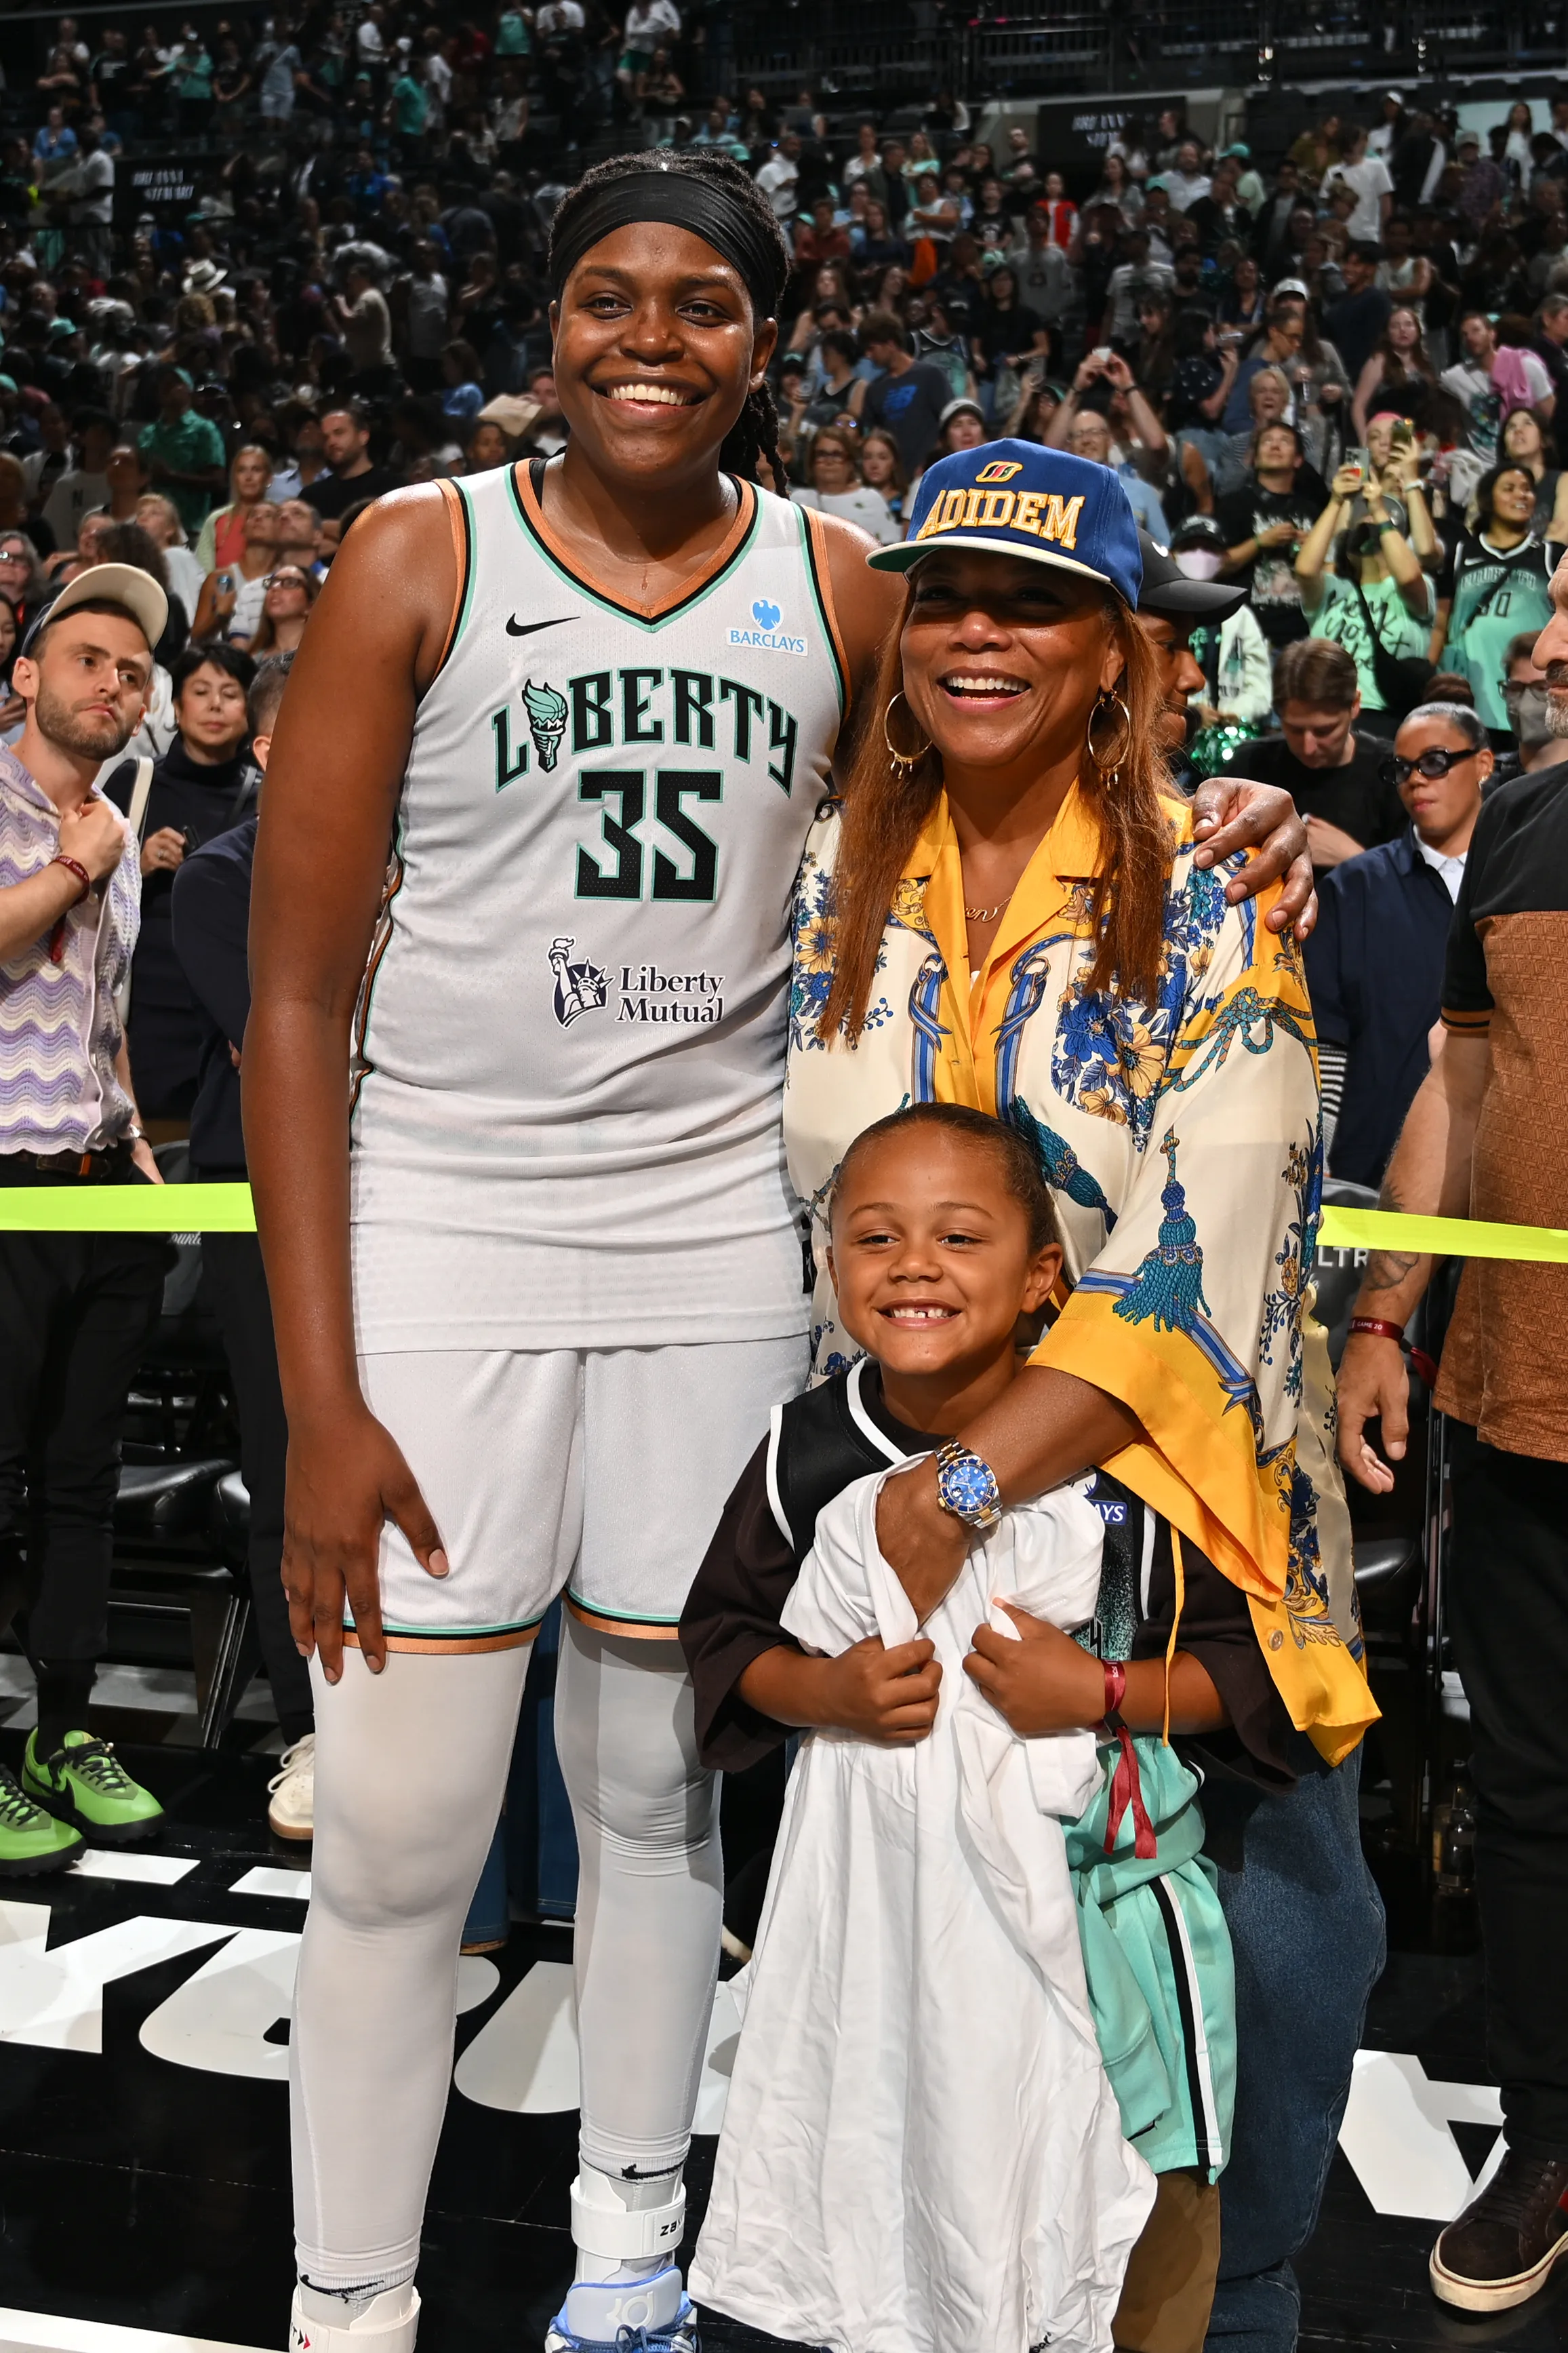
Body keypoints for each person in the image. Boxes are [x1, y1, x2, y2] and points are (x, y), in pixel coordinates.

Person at [243, 151, 1312, 2353]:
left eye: (706, 303)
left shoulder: (839, 579)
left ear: (768, 343)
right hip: (444, 1242)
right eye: (607, 294)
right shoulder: (414, 553)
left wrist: (1221, 810)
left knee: (661, 1809)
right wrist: (317, 1398)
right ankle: (345, 2308)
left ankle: (631, 2260)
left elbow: (1019, 752)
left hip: (727, 1263)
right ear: (545, 322)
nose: (651, 337)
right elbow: (290, 1000)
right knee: (397, 1841)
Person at [779, 437, 1381, 2353]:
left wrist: (948, 1489)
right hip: (908, 1585)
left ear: (1118, 648)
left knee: (1220, 2128)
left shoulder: (1214, 902)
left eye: (1034, 602)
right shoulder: (828, 884)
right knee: (944, 2115)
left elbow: (1194, 1262)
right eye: (946, 594)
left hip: (1173, 1581)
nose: (977, 631)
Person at [685, 1105, 1241, 2352]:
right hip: (870, 1927)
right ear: (830, 1264)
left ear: (1045, 1273)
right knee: (884, 2191)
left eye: (959, 1235)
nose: (913, 1266)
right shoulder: (806, 1447)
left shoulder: (1124, 1464)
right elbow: (721, 1637)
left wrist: (1092, 1695)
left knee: (1114, 2207)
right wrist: (820, 1693)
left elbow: (1233, 1675)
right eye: (873, 1236)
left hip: (1091, 1918)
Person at [1335, 549, 1568, 2320]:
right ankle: (1550, 2132)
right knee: (1531, 1799)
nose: (1549, 640)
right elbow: (1456, 1080)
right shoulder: (1522, 823)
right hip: (1521, 1405)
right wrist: (1388, 1307)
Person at [0, 563, 172, 1861]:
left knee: (80, 1480)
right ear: (27, 675)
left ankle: (61, 1729)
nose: (113, 683)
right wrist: (76, 861)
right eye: (89, 660)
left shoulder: (108, 817)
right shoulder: (81, 832)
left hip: (97, 1185)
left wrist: (127, 1126)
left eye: (133, 673)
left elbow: (89, 1004)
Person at [170, 651, 314, 1840]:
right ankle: (313, 1725)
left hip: (387, 1189)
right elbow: (278, 1045)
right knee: (285, 1467)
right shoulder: (220, 875)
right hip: (249, 1192)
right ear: (266, 748)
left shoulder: (415, 867)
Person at [1306, 700, 1490, 1186]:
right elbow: (1324, 1035)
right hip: (1368, 1180)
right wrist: (1316, 1152)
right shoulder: (1352, 890)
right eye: (1401, 769)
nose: (1415, 780)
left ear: (1484, 764)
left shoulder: (1522, 883)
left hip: (1498, 1175)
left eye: (1434, 762)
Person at [106, 640, 256, 1130]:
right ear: (176, 706)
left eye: (230, 693)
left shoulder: (270, 792)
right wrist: (138, 863)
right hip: (150, 1012)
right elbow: (79, 890)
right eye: (201, 691)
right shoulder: (136, 782)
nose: (215, 705)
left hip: (233, 1010)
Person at [1216, 636, 1410, 871]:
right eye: (1295, 730)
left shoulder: (1394, 774)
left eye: (1325, 730)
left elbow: (1418, 892)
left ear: (1355, 705)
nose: (1308, 747)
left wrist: (1358, 861)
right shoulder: (1250, 766)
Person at [1295, 455, 1436, 721]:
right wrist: (1336, 501)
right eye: (1361, 531)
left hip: (1387, 714)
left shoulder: (1413, 587)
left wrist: (1380, 511)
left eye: (1379, 532)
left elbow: (1407, 577)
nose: (1370, 530)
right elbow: (1305, 569)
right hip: (1328, 712)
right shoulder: (1332, 589)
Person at [1430, 462, 1562, 737]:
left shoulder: (1550, 555)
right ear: (1489, 500)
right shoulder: (1461, 553)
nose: (1522, 495)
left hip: (1530, 696)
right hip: (1471, 693)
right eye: (1510, 488)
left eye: (1527, 489)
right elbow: (1441, 620)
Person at [1216, 421, 1326, 648]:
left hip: (1303, 633)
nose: (1275, 446)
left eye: (1284, 442)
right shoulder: (1234, 504)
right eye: (1267, 442)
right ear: (1255, 459)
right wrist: (1260, 542)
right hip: (1250, 635)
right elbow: (1217, 565)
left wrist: (1313, 552)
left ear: (1298, 460)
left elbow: (1331, 574)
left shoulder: (1313, 511)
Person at [848, 311, 953, 478]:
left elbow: (948, 424)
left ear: (890, 344)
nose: (868, 356)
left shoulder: (930, 376)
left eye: (871, 348)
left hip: (930, 474)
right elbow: (871, 436)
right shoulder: (875, 389)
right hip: (893, 479)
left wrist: (932, 463)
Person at [136, 365, 226, 541]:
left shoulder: (204, 429)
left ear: (189, 391)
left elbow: (218, 481)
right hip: (149, 529)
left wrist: (171, 476)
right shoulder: (147, 433)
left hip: (190, 527)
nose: (167, 387)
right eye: (163, 383)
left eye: (175, 383)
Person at [789, 424, 899, 545]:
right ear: (812, 461)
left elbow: (890, 545)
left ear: (850, 463)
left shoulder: (870, 498)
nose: (829, 461)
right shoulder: (798, 500)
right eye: (822, 454)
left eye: (837, 455)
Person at [300, 403, 401, 522]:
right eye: (325, 438)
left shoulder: (395, 488)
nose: (331, 442)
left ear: (363, 437)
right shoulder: (312, 496)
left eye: (339, 433)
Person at [195, 443, 275, 577]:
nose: (248, 477)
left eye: (256, 470)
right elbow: (203, 574)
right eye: (241, 470)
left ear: (269, 478)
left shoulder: (280, 519)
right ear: (234, 478)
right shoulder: (217, 520)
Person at [247, 563, 319, 655]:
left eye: (290, 582)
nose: (274, 587)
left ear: (310, 606)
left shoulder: (323, 656)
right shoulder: (253, 662)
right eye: (272, 582)